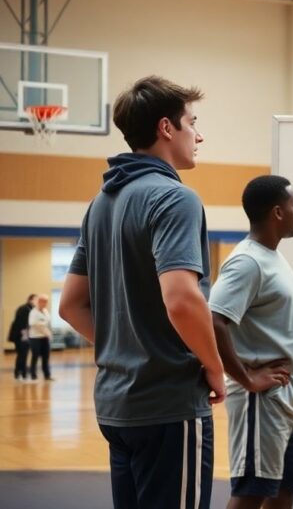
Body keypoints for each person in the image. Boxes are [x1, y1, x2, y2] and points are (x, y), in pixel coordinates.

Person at [59, 76, 226, 509]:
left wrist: (127, 346)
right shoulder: (175, 198)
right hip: (169, 405)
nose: (199, 134)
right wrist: (213, 365)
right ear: (166, 129)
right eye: (192, 123)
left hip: (116, 406)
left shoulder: (101, 203)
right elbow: (182, 300)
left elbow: (71, 305)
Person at [209, 175, 293, 509]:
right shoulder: (247, 262)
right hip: (263, 402)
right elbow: (215, 321)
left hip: (290, 396)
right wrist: (246, 378)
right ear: (277, 213)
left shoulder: (275, 257)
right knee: (251, 493)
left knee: (284, 492)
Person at [7, 293, 36, 381]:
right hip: (21, 336)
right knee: (22, 355)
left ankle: (21, 373)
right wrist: (26, 337)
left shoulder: (29, 308)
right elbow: (23, 325)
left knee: (22, 355)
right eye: (35, 300)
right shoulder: (25, 309)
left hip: (23, 336)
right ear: (30, 300)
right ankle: (21, 373)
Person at [28, 295, 54, 381]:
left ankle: (47, 375)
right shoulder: (33, 312)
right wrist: (42, 325)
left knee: (45, 357)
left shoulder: (45, 311)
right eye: (44, 301)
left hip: (45, 337)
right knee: (35, 355)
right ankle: (33, 375)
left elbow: (47, 322)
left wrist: (47, 332)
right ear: (39, 302)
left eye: (46, 302)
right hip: (35, 337)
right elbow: (32, 323)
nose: (45, 303)